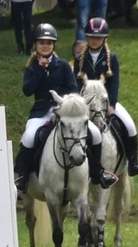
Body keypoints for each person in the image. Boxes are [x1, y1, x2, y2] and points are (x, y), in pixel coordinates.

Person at [13, 23, 118, 193]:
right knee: (30, 136)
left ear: (53, 45)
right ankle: (22, 176)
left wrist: (64, 104)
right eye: (41, 43)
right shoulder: (32, 67)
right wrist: (40, 69)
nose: (45, 46)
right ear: (35, 45)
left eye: (49, 43)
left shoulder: (62, 65)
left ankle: (98, 172)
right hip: (41, 112)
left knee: (96, 133)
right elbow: (27, 90)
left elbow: (73, 89)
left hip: (66, 112)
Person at [72, 18, 138, 176]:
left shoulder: (111, 58)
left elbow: (114, 83)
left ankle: (132, 161)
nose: (94, 40)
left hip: (105, 101)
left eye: (98, 37)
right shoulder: (79, 60)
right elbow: (75, 85)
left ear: (104, 38)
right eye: (91, 37)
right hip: (85, 103)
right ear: (87, 37)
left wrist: (111, 104)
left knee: (129, 125)